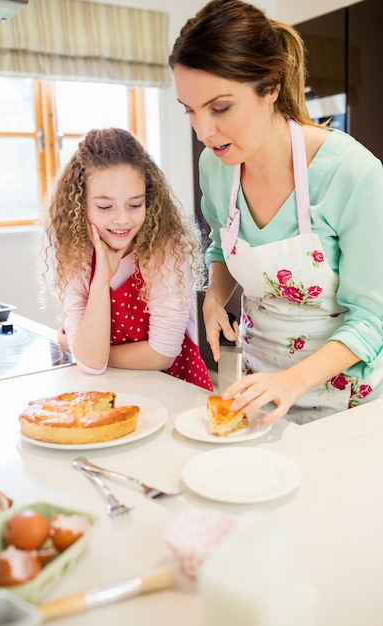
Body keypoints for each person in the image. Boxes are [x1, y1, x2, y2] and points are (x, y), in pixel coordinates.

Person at [169, 0, 383, 423]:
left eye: (220, 107)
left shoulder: (352, 173)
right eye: (190, 110)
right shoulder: (215, 166)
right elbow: (221, 244)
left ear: (270, 86)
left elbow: (372, 320)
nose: (203, 131)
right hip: (256, 390)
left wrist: (292, 380)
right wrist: (214, 299)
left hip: (344, 407)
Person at [43, 127, 213, 391]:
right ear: (80, 204)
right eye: (104, 206)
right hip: (112, 389)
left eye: (135, 205)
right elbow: (91, 365)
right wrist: (101, 279)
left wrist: (82, 348)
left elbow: (161, 355)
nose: (122, 219)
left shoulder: (166, 250)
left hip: (176, 391)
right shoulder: (76, 254)